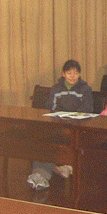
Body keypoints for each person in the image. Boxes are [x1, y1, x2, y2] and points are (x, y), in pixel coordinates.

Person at [27, 59, 92, 190]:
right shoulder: (56, 88)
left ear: (79, 74)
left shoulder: (85, 89)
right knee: (43, 138)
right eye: (69, 73)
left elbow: (87, 108)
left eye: (75, 73)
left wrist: (72, 116)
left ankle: (43, 175)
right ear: (63, 74)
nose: (72, 76)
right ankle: (37, 174)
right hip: (58, 123)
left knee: (55, 140)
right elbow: (49, 107)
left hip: (76, 125)